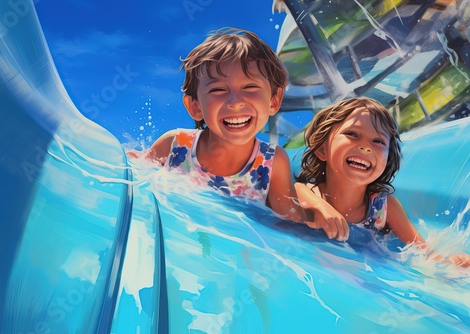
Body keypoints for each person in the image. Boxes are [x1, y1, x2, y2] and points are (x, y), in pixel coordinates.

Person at [128, 27, 341, 233]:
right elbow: (134, 178)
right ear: (195, 106)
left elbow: (291, 224)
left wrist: (317, 207)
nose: (236, 102)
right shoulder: (175, 145)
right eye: (218, 89)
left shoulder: (272, 163)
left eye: (250, 87)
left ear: (274, 101)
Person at [294, 97, 470, 267]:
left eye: (378, 141)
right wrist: (318, 205)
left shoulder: (384, 207)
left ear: (386, 161)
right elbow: (295, 190)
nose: (366, 146)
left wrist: (450, 264)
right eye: (352, 134)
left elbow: (424, 253)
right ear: (322, 149)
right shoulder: (313, 195)